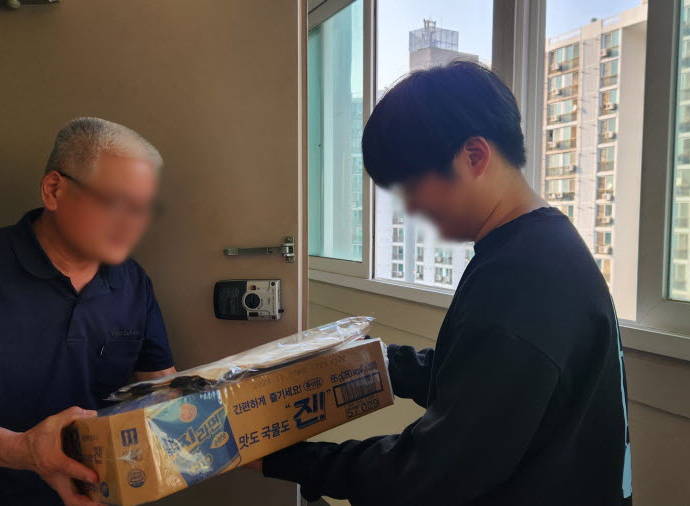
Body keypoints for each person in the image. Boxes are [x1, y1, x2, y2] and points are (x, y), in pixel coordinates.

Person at [250, 61, 632, 505]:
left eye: (412, 187)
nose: (410, 209)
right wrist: (373, 363)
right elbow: (480, 379)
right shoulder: (541, 248)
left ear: (474, 156)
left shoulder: (522, 280)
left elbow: (433, 472)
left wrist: (288, 462)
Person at [0, 117, 177, 505]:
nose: (132, 224)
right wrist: (24, 450)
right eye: (115, 202)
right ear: (54, 190)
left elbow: (161, 389)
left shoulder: (132, 280)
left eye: (141, 208)